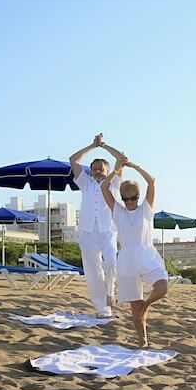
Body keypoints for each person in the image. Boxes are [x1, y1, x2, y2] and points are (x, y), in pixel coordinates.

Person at [101, 157, 168, 347]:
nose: (129, 202)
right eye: (125, 199)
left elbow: (152, 181)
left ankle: (146, 306)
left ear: (138, 197)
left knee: (162, 288)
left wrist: (133, 166)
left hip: (147, 255)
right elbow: (104, 188)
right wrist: (116, 170)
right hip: (127, 259)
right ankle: (143, 342)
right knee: (135, 307)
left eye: (132, 198)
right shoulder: (118, 211)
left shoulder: (146, 209)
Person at [69, 133, 125, 318]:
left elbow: (121, 158)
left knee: (111, 263)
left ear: (108, 170)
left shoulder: (114, 182)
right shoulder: (86, 182)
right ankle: (103, 309)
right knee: (93, 271)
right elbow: (73, 160)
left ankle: (110, 292)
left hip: (108, 230)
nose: (97, 171)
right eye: (94, 169)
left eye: (101, 168)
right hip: (87, 231)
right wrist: (92, 146)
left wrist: (103, 145)